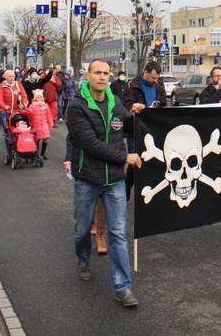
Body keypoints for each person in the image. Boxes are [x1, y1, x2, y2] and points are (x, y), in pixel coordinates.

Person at [66, 59, 144, 308]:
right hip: (87, 178)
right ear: (87, 75)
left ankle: (123, 288)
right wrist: (125, 157)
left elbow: (126, 130)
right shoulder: (77, 106)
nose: (102, 77)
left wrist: (136, 116)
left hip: (115, 181)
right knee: (81, 229)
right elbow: (89, 143)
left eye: (105, 73)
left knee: (118, 232)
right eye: (97, 73)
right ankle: (83, 258)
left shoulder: (116, 102)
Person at [122, 61, 168, 200]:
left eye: (157, 78)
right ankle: (125, 191)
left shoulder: (159, 87)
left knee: (152, 161)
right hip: (134, 128)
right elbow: (125, 105)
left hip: (153, 129)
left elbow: (164, 105)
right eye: (153, 78)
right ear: (146, 72)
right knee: (134, 162)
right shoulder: (132, 85)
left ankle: (148, 192)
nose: (155, 81)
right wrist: (134, 108)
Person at [0, 69, 29, 162]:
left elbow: (24, 95)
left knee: (19, 131)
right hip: (4, 111)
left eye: (13, 76)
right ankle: (10, 152)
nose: (11, 78)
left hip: (16, 111)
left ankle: (20, 149)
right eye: (9, 76)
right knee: (8, 132)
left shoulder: (18, 84)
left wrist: (25, 102)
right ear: (5, 77)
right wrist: (4, 106)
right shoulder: (1, 86)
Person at [28, 89, 53, 160]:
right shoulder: (32, 106)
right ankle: (36, 153)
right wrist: (30, 124)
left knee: (46, 138)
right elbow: (30, 116)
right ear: (35, 98)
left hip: (44, 125)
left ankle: (43, 152)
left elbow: (48, 115)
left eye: (40, 97)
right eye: (38, 97)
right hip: (36, 125)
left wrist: (50, 124)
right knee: (37, 139)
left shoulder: (45, 105)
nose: (39, 99)